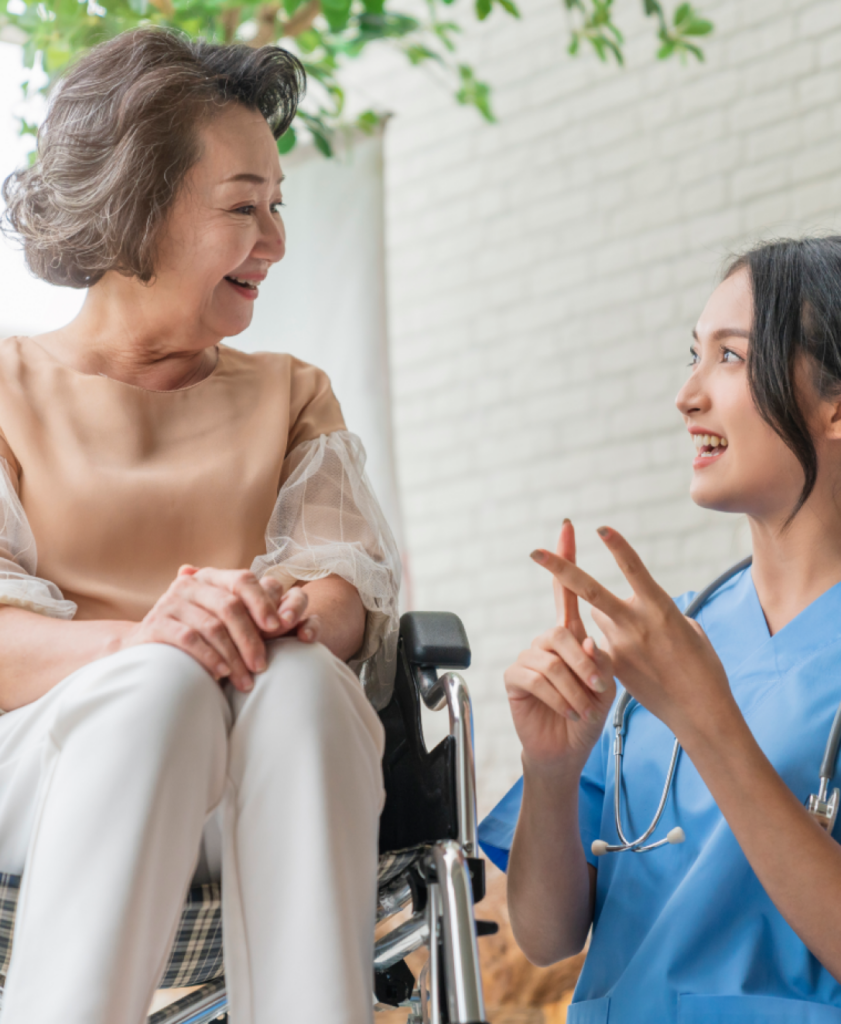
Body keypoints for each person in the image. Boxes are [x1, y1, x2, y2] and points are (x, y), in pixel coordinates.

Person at [0, 27, 400, 1024]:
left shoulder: (294, 394)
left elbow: (350, 597)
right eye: (241, 208)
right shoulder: (8, 388)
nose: (273, 241)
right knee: (158, 685)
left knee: (305, 674)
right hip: (44, 768)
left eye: (277, 207)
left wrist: (291, 606)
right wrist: (143, 640)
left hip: (252, 773)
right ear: (137, 207)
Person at [479, 237, 841, 1022]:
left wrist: (704, 718)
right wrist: (550, 769)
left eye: (730, 359)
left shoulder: (676, 669)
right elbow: (544, 936)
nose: (686, 395)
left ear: (835, 403)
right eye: (692, 355)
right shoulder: (674, 639)